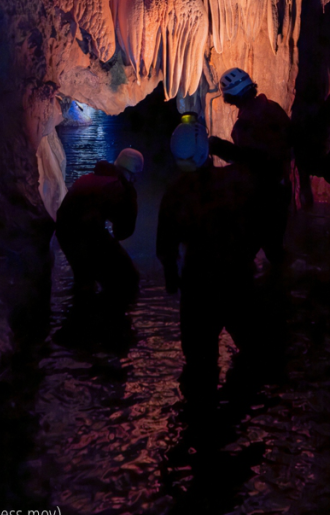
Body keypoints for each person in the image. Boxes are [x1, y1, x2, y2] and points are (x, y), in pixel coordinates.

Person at [157, 115, 261, 396]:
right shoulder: (233, 181)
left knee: (199, 367)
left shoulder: (175, 194)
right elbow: (259, 167)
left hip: (197, 285)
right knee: (254, 356)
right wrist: (221, 147)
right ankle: (246, 421)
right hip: (236, 279)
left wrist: (171, 279)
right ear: (205, 151)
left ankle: (198, 426)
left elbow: (165, 246)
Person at [208, 68, 292, 265]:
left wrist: (219, 147)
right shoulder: (273, 107)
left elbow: (252, 160)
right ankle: (282, 286)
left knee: (243, 252)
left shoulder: (246, 124)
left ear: (229, 96)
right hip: (282, 188)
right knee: (274, 249)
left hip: (262, 196)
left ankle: (251, 291)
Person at [55, 147, 144, 307]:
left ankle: (79, 311)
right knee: (129, 278)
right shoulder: (120, 188)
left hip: (64, 232)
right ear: (134, 174)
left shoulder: (92, 177)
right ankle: (111, 320)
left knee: (84, 279)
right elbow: (122, 231)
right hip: (86, 234)